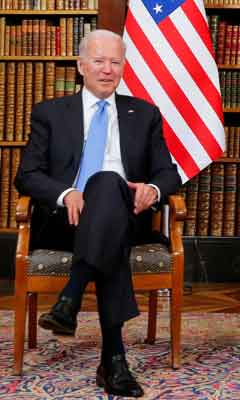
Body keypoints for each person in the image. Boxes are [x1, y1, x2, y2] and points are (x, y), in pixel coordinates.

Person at [15, 29, 180, 398]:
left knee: (107, 182)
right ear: (81, 65)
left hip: (125, 214)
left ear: (123, 67)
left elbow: (166, 172)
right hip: (65, 222)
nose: (107, 69)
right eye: (99, 61)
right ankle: (114, 361)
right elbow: (26, 175)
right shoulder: (50, 113)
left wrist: (152, 190)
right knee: (108, 228)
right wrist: (65, 192)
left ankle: (71, 297)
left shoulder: (145, 114)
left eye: (115, 62)